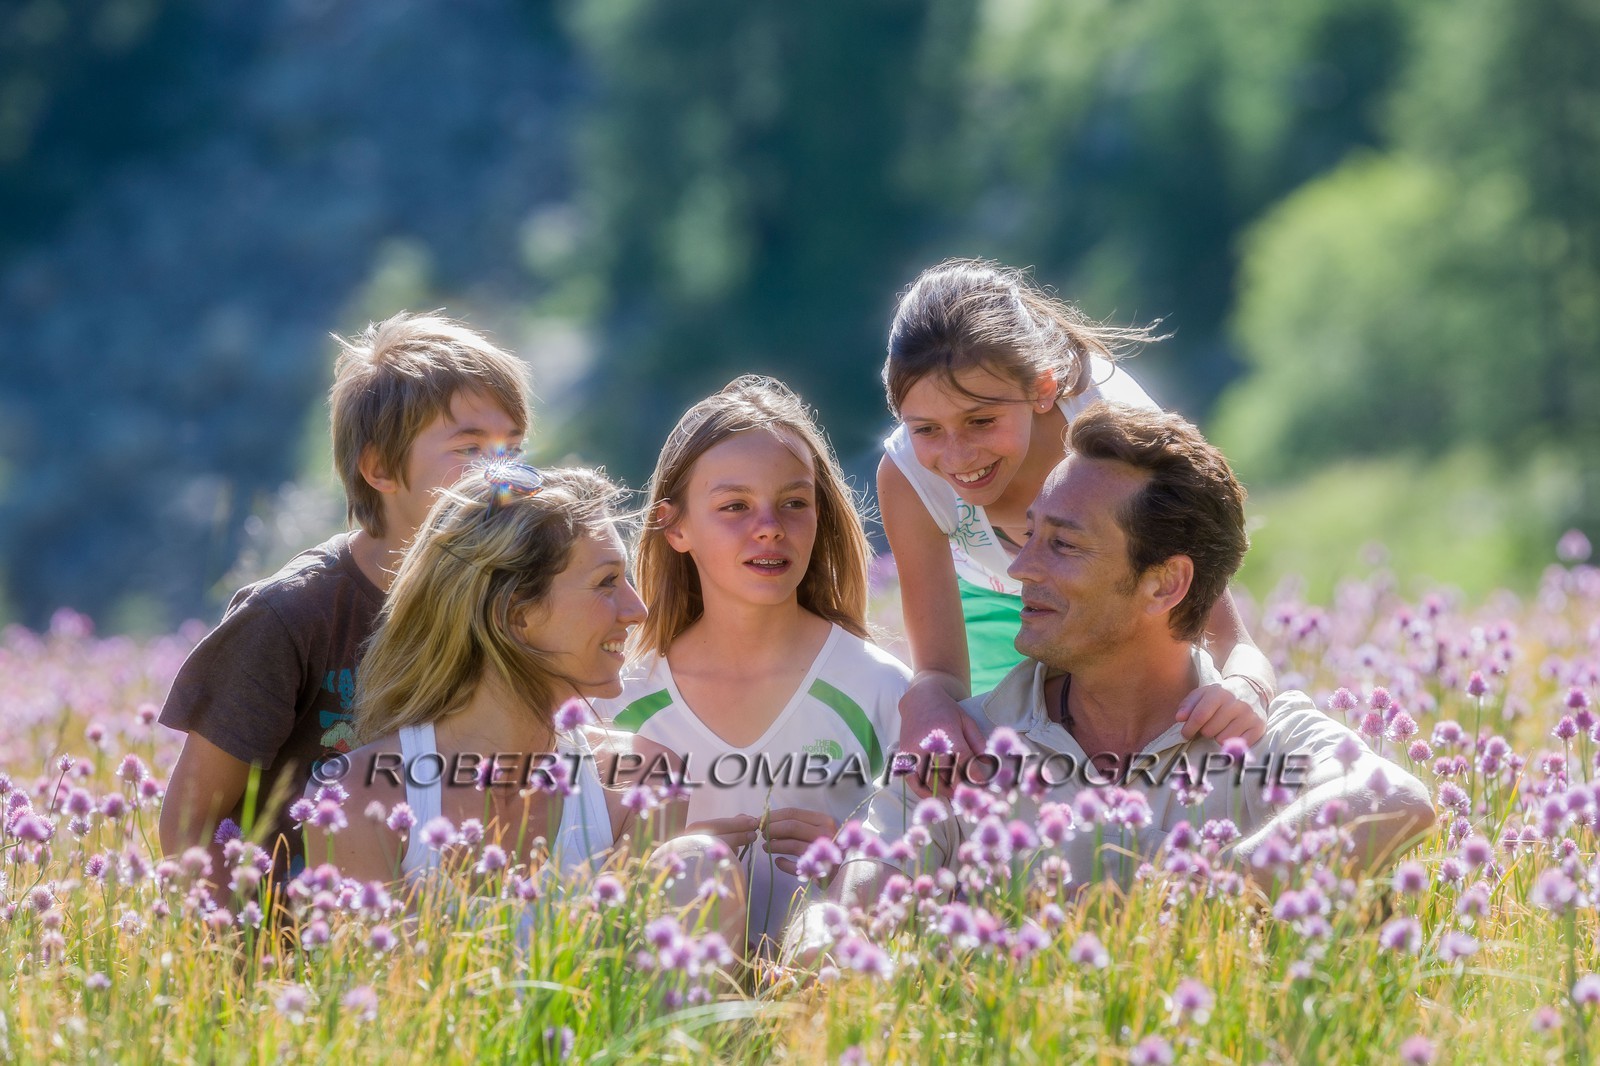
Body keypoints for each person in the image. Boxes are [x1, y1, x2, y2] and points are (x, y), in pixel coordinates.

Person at [787, 403, 1435, 960]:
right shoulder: (969, 748)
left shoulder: (1263, 736)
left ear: (1165, 584)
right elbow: (866, 876)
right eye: (1029, 535)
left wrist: (1195, 895)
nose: (1020, 568)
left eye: (1062, 545)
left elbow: (1397, 799)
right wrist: (830, 930)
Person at [304, 464, 740, 948]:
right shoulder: (360, 798)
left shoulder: (645, 780)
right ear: (515, 615)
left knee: (702, 861)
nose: (637, 610)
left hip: (594, 1025)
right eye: (606, 582)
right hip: (447, 1026)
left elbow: (621, 992)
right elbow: (389, 1009)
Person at [159, 312, 531, 873]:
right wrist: (239, 949)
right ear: (380, 468)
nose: (501, 478)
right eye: (470, 451)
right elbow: (191, 823)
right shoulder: (289, 616)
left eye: (513, 451)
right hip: (296, 939)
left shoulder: (517, 601)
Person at [877, 259, 1276, 774]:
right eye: (926, 428)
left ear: (1043, 388)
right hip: (986, 604)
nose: (956, 457)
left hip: (1109, 600)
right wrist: (928, 699)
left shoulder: (1117, 438)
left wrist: (1246, 688)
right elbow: (939, 671)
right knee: (996, 773)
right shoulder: (908, 476)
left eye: (981, 421)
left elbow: (1231, 641)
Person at [603, 377, 911, 951]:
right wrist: (669, 866)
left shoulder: (881, 688)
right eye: (734, 506)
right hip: (671, 1019)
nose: (769, 526)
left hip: (822, 1014)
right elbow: (570, 882)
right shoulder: (617, 697)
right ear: (675, 527)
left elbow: (933, 868)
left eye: (794, 503)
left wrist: (856, 859)